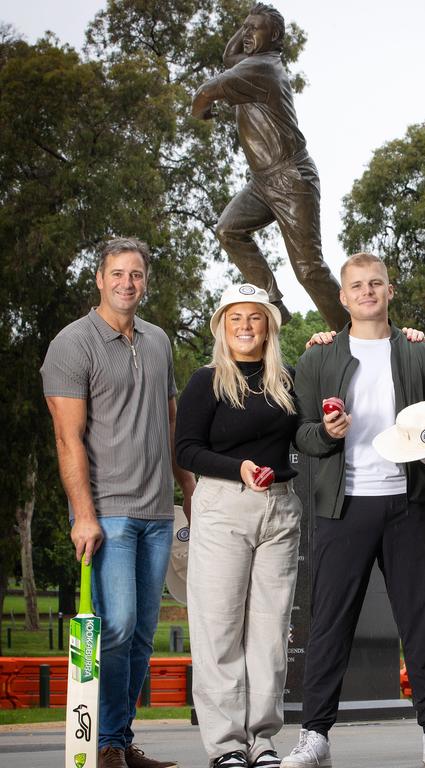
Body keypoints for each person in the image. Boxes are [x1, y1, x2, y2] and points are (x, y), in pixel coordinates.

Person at [282, 253, 425, 768]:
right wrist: (326, 434)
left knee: (418, 623)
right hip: (342, 508)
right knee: (329, 624)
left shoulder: (423, 355)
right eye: (357, 286)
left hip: (408, 504)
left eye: (376, 284)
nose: (367, 292)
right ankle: (314, 736)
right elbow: (300, 434)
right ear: (343, 298)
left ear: (390, 291)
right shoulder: (318, 359)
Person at [41, 237, 196, 768]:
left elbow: (173, 425)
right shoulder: (73, 343)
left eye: (136, 274)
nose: (127, 283)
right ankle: (105, 743)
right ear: (100, 278)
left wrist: (190, 492)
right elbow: (68, 438)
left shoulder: (158, 342)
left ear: (145, 281)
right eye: (117, 274)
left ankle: (120, 741)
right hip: (106, 511)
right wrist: (82, 514)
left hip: (156, 510)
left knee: (144, 634)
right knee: (118, 624)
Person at [175, 284, 301, 768]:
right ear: (222, 328)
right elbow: (186, 449)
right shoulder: (205, 381)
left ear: (268, 325)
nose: (246, 327)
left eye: (255, 318)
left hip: (280, 509)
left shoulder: (286, 380)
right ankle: (227, 745)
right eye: (236, 319)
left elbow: (307, 434)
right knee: (220, 629)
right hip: (225, 505)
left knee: (270, 633)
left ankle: (263, 739)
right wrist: (240, 468)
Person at [191, 3, 348, 331]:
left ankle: (358, 334)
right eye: (244, 28)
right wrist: (251, 22)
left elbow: (204, 93)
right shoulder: (255, 63)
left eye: (254, 29)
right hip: (262, 182)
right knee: (228, 230)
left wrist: (200, 113)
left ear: (274, 35)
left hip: (290, 178)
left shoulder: (263, 69)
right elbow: (228, 57)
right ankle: (274, 301)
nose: (246, 35)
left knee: (309, 269)